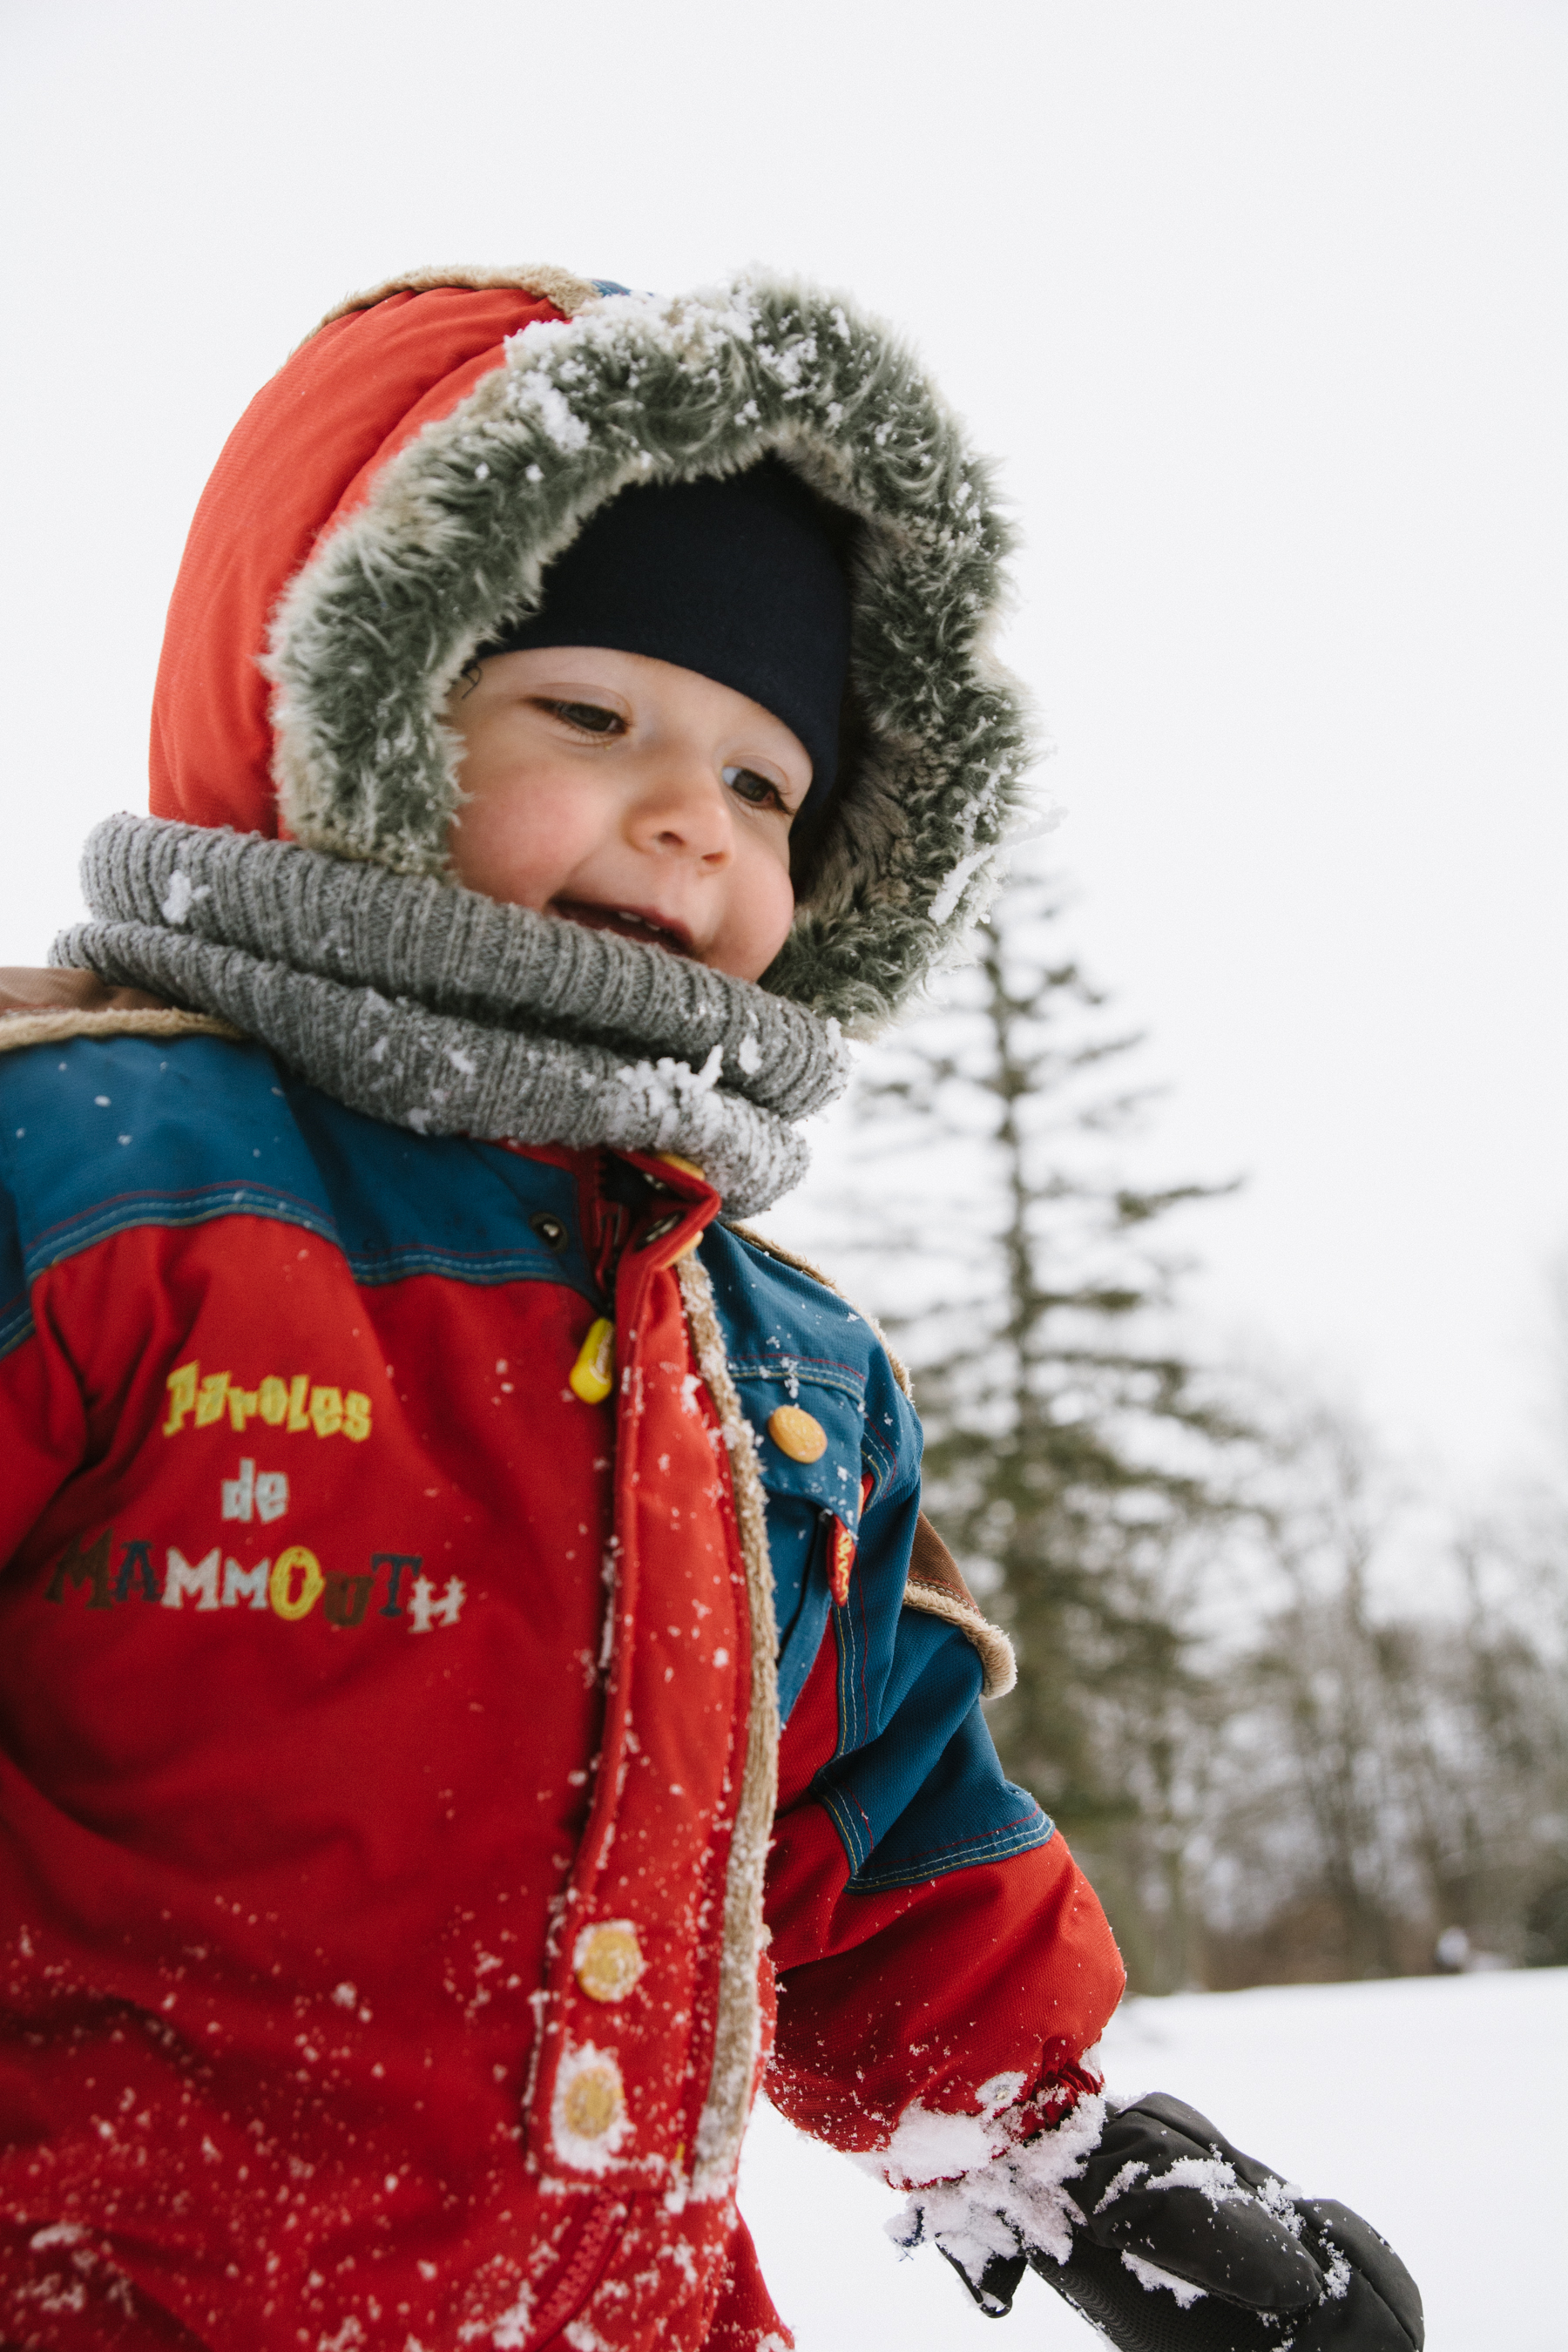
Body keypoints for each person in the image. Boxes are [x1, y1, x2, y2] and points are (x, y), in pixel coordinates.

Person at [0, 268, 1422, 2352]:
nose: (694, 813)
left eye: (768, 787)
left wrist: (1057, 2141)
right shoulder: (99, 1180)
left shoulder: (777, 1366)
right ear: (353, 715)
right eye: (593, 717)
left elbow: (865, 1826)